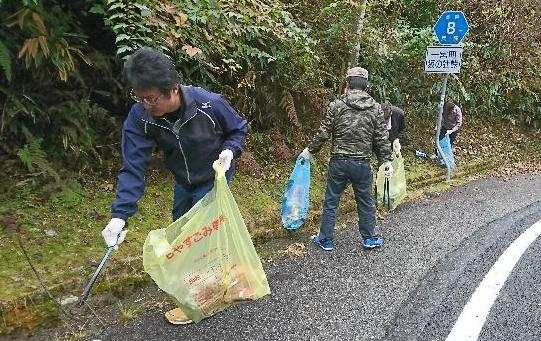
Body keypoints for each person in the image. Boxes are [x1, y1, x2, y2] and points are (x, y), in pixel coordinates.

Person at [100, 47, 248, 324]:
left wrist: (230, 150)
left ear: (174, 89)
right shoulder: (140, 116)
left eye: (152, 98)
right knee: (182, 230)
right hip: (183, 179)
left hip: (215, 175)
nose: (146, 104)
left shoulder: (208, 103)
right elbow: (133, 166)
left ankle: (202, 299)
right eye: (140, 97)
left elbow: (238, 128)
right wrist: (119, 216)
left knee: (201, 236)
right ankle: (223, 275)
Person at [299, 66, 393, 251]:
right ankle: (370, 238)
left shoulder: (337, 105)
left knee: (331, 201)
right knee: (365, 201)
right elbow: (381, 138)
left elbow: (324, 131)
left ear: (348, 84)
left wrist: (310, 151)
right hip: (362, 164)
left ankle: (325, 240)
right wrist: (386, 161)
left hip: (339, 162)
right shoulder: (375, 108)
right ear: (366, 85)